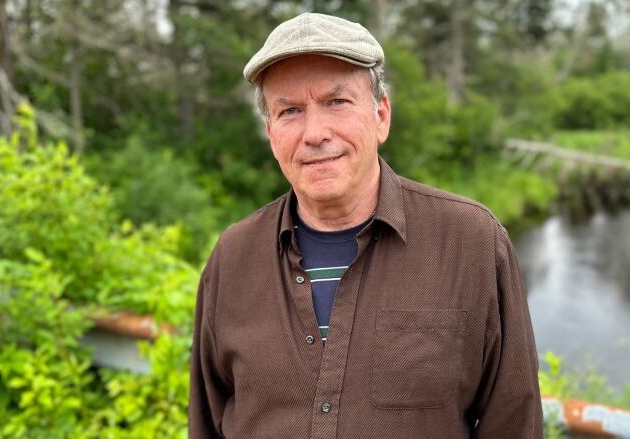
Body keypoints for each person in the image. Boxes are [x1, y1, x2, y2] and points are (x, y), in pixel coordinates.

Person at [188, 12, 543, 439]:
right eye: (290, 110)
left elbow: (514, 424)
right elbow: (206, 423)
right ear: (270, 131)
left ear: (381, 115)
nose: (314, 132)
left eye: (337, 102)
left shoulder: (472, 244)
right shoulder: (233, 257)